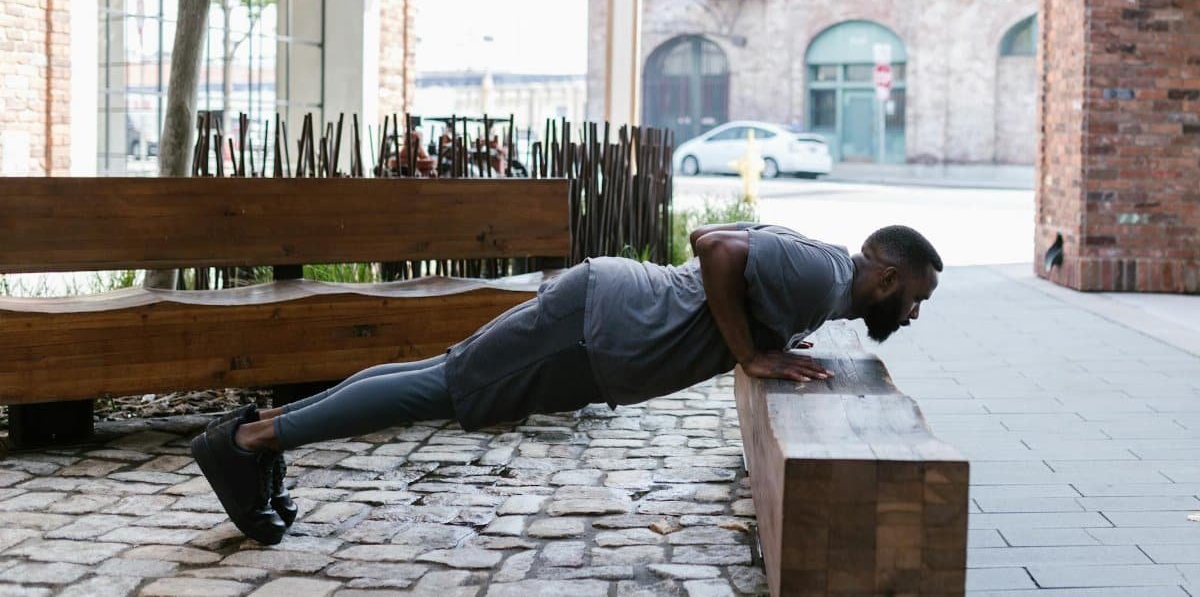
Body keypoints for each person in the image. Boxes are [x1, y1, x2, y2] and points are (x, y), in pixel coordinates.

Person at [191, 223, 942, 544]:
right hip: (601, 326)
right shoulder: (819, 271)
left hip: (600, 322)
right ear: (884, 272)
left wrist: (771, 338)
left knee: (439, 376)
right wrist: (751, 352)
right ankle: (249, 439)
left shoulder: (821, 284)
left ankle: (261, 431)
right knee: (441, 388)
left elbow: (743, 274)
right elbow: (715, 247)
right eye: (912, 296)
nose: (910, 313)